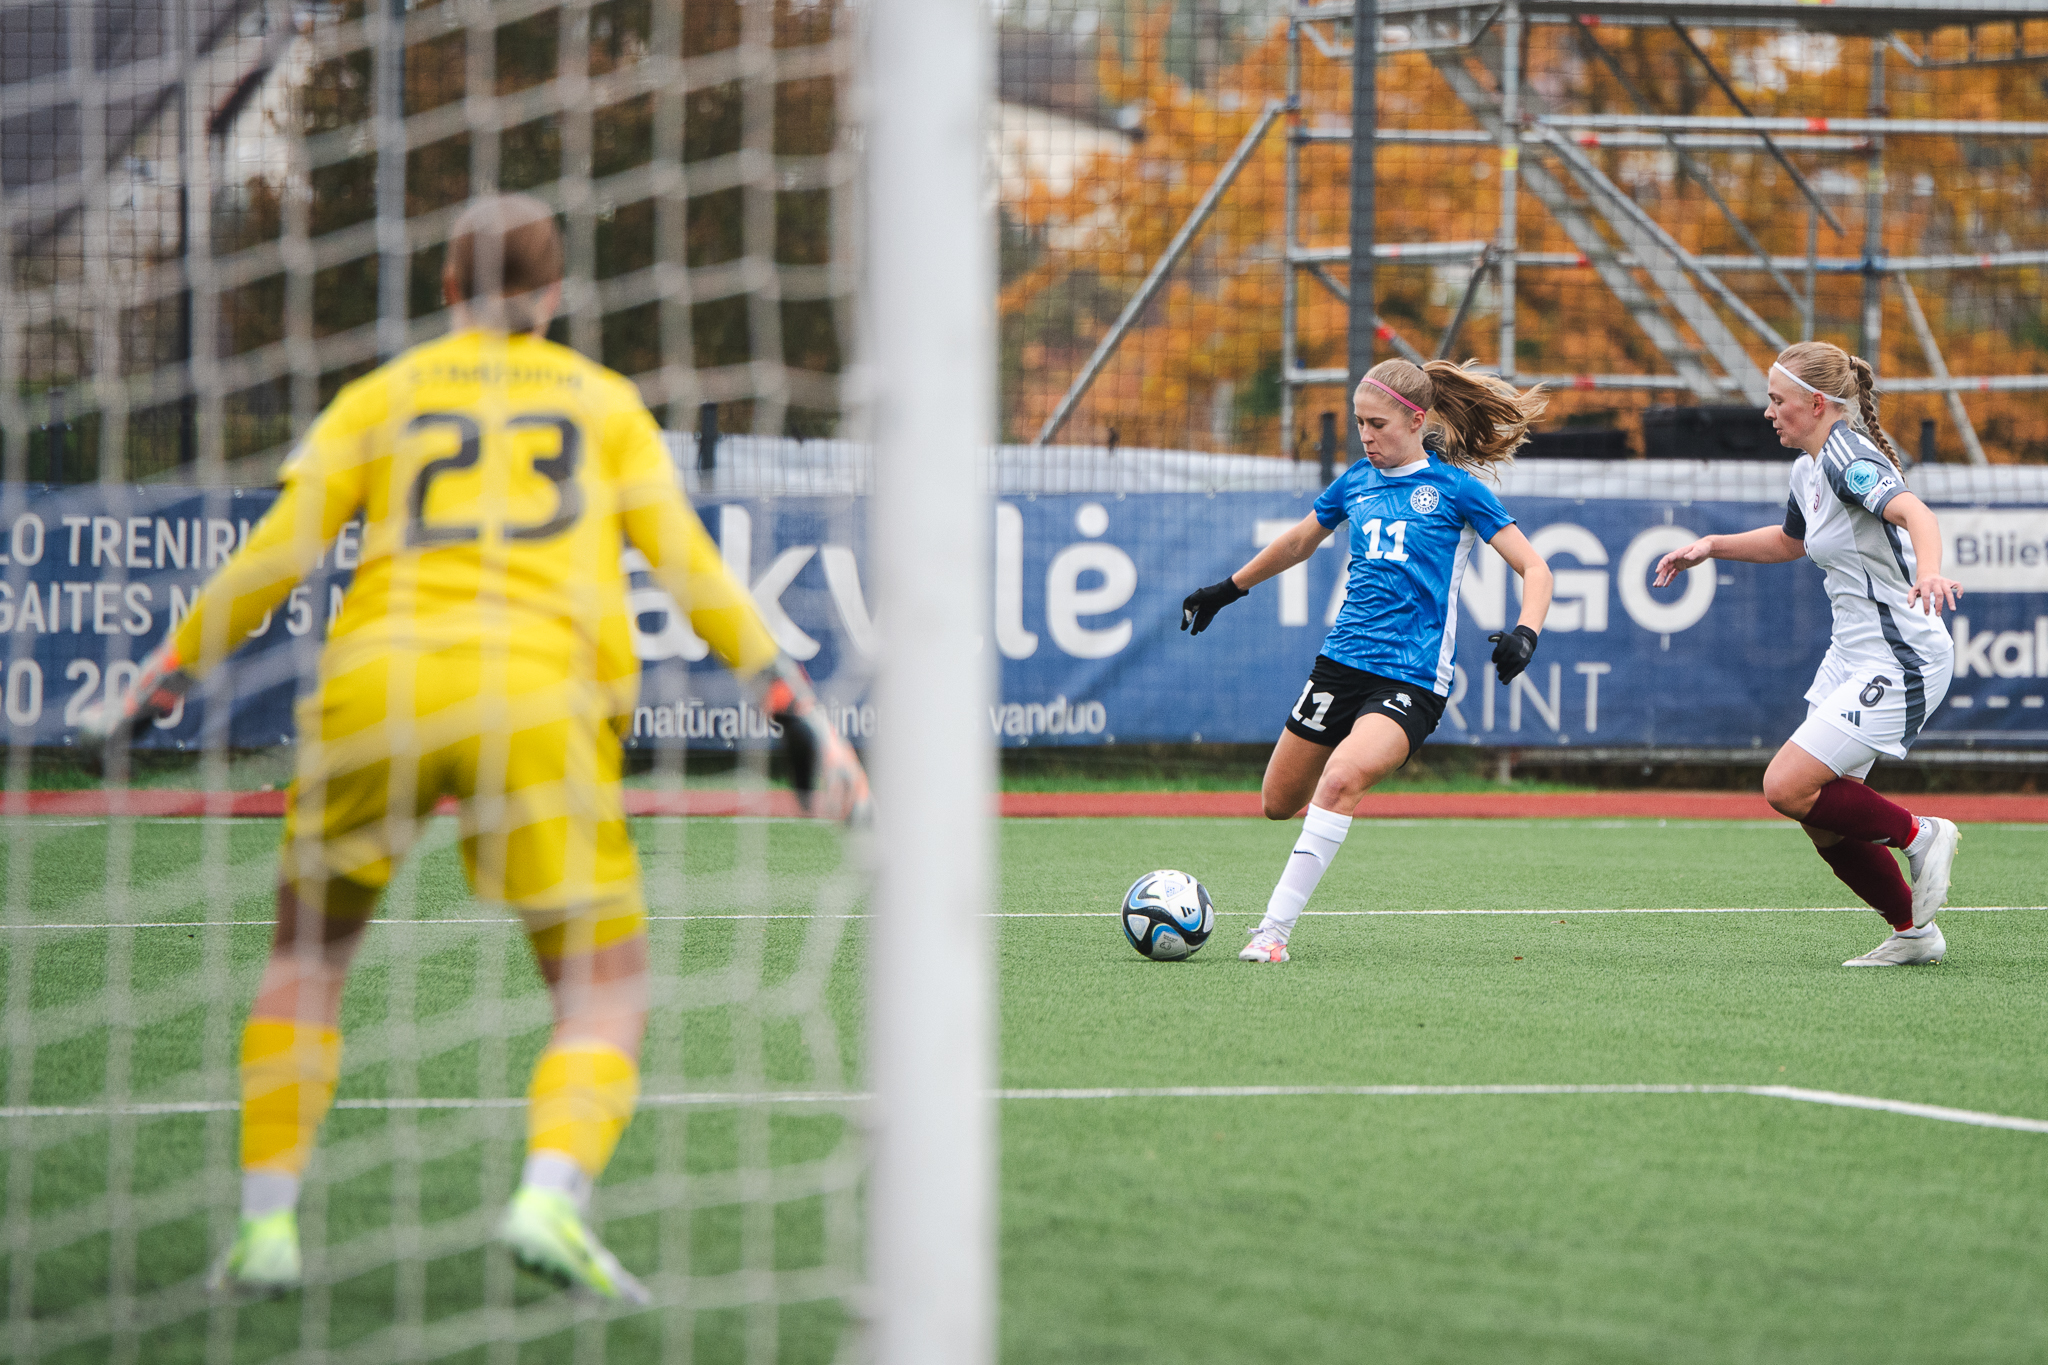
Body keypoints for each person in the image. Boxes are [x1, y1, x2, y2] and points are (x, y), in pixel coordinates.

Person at [85, 194, 868, 1302]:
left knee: (307, 961)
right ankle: (550, 1196)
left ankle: (266, 1230)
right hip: (539, 702)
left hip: (375, 689)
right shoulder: (601, 405)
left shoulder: (383, 396)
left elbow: (274, 555)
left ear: (445, 288)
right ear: (554, 297)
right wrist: (792, 707)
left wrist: (162, 676)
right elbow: (690, 569)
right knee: (603, 986)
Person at [1181, 359, 1555, 963]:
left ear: (1415, 419)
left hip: (1411, 678)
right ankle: (1275, 922)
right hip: (1340, 666)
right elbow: (1300, 540)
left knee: (1341, 780)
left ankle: (1271, 934)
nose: (1366, 435)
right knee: (1277, 802)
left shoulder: (1457, 490)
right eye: (1359, 423)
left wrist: (1526, 633)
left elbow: (1535, 568)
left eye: (1377, 423)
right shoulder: (1357, 480)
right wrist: (1228, 589)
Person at [1654, 341, 1961, 968]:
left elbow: (1915, 512)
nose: (1769, 413)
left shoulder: (1848, 457)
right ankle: (1913, 933)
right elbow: (1792, 542)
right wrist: (1711, 545)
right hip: (1852, 656)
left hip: (1901, 656)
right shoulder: (1808, 467)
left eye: (1777, 400)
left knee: (1786, 785)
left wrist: (1929, 572)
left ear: (1816, 403)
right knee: (1821, 816)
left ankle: (1921, 833)